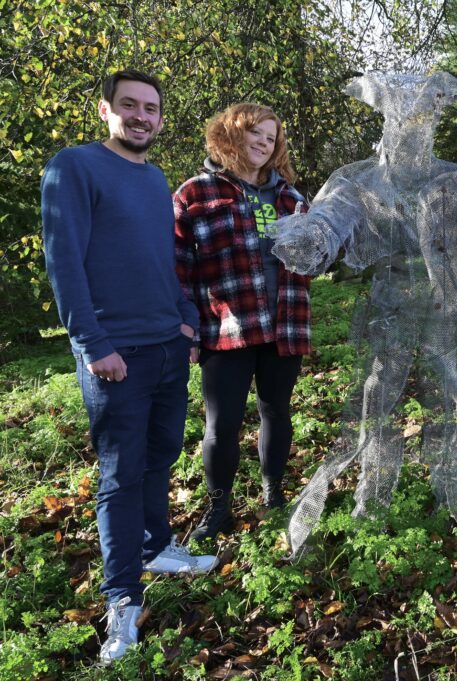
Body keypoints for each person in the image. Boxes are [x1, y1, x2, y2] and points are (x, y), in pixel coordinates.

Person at [41, 69, 217, 664]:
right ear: (106, 110)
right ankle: (122, 600)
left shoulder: (153, 176)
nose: (142, 116)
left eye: (152, 108)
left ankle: (159, 545)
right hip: (116, 356)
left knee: (161, 455)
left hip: (169, 345)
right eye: (130, 106)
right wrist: (93, 345)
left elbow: (162, 259)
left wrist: (186, 318)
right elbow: (64, 263)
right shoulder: (75, 166)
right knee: (120, 475)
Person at [174, 104, 311, 543]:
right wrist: (187, 325)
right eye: (255, 133)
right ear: (230, 135)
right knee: (222, 423)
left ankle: (273, 494)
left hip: (284, 324)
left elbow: (314, 260)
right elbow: (177, 266)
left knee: (277, 410)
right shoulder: (196, 194)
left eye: (271, 138)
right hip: (225, 328)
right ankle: (219, 507)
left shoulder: (292, 199)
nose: (263, 143)